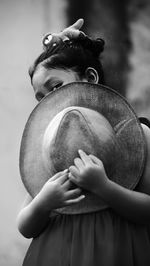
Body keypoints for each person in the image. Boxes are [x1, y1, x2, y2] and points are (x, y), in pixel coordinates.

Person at [17, 19, 150, 266]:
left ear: (90, 78)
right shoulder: (47, 148)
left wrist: (104, 187)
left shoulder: (135, 133)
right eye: (40, 98)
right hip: (55, 253)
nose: (48, 102)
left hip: (116, 251)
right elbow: (25, 226)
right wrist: (44, 202)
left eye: (55, 87)